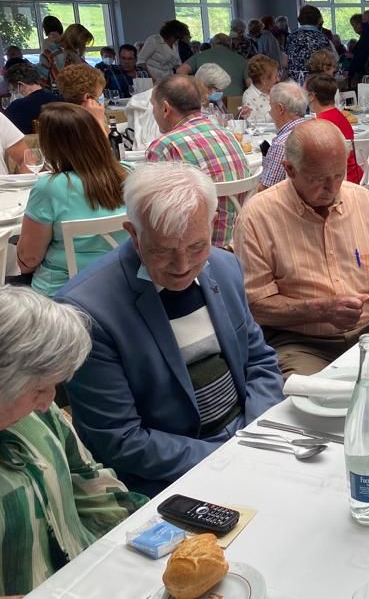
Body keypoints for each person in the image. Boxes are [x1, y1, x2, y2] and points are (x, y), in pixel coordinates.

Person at [58, 162, 283, 496]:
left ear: (213, 225)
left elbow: (260, 362)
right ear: (133, 234)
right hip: (169, 480)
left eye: (196, 246)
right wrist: (229, 457)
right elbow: (121, 441)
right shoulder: (87, 312)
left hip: (248, 443)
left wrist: (254, 435)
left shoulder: (224, 267)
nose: (182, 266)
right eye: (162, 250)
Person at [0, 287, 148, 597]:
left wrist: (146, 533)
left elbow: (87, 477)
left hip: (91, 576)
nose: (48, 403)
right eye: (39, 390)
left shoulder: (36, 413)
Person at [234, 121, 369, 376]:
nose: (332, 188)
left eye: (339, 175)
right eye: (319, 179)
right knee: (307, 403)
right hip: (304, 343)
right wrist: (321, 310)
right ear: (290, 170)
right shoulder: (257, 218)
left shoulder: (363, 201)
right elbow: (257, 306)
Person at [16, 104, 128, 295]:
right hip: (122, 283)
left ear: (51, 145)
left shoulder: (49, 188)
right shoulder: (128, 173)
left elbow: (29, 260)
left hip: (64, 294)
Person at [146, 75, 248, 248]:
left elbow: (156, 215)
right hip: (238, 241)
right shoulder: (226, 133)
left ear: (165, 108)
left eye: (153, 105)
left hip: (195, 248)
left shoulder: (164, 146)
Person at [305, 73, 362, 185]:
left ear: (312, 96)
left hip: (339, 180)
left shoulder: (320, 124)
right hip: (354, 174)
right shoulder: (341, 116)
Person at [259, 81, 308, 190]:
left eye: (271, 106)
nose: (270, 112)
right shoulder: (313, 129)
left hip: (288, 204)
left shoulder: (282, 144)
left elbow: (267, 190)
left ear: (280, 109)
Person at [177, 33, 248, 97]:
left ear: (213, 44)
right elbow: (250, 84)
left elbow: (180, 71)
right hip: (233, 102)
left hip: (207, 100)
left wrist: (195, 86)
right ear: (230, 45)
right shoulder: (241, 59)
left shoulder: (201, 55)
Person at [2, 60, 62, 134]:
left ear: (21, 85)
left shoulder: (17, 107)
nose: (13, 93)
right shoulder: (61, 101)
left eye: (13, 90)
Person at [285, 5, 333, 83]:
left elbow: (286, 61)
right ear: (317, 19)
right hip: (314, 81)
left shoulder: (291, 36)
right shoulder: (321, 38)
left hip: (294, 81)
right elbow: (328, 61)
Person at [56, 63, 107, 132]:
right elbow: (102, 141)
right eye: (99, 95)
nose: (100, 99)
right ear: (88, 97)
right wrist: (99, 120)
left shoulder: (59, 116)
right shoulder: (80, 124)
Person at [242, 54, 278, 124]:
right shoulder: (249, 95)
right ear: (263, 80)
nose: (278, 79)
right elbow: (251, 122)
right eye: (276, 76)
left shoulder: (276, 91)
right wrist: (275, 114)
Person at [35, 14, 64, 83]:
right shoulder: (66, 38)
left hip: (54, 73)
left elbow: (45, 59)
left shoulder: (46, 42)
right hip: (65, 70)